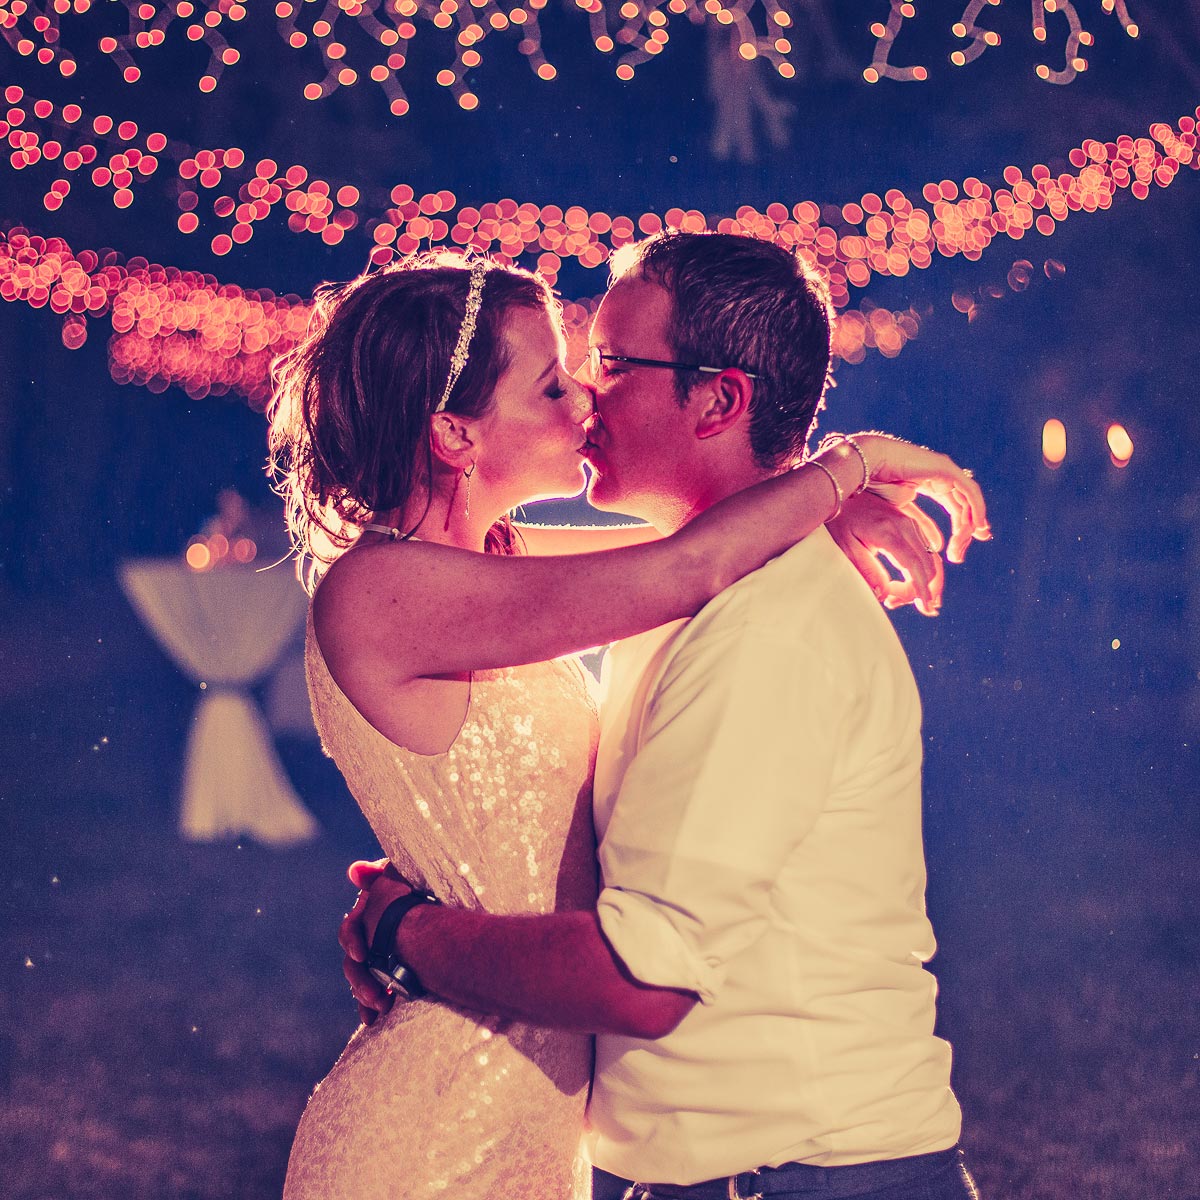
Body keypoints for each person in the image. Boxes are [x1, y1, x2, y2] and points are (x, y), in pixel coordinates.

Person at [272, 239, 987, 1200]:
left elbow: (692, 553)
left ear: (720, 398)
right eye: (560, 382)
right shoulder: (402, 587)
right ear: (454, 433)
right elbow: (683, 565)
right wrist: (841, 474)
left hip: (736, 1160)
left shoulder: (721, 605)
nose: (588, 401)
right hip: (445, 1123)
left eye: (602, 369)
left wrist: (409, 930)